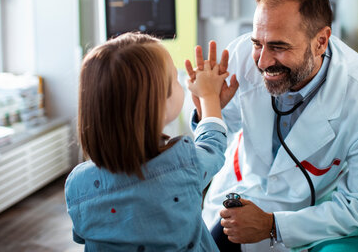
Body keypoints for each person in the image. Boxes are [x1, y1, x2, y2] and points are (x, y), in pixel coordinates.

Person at [186, 0, 358, 251]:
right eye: (258, 43)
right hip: (232, 191)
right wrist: (209, 106)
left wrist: (273, 226)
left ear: (320, 42)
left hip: (294, 213)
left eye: (279, 47)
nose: (262, 62)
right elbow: (224, 130)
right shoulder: (242, 55)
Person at [65, 32, 236, 251]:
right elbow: (213, 145)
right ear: (158, 105)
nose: (181, 84)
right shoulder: (183, 167)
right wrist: (209, 95)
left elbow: (81, 236)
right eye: (175, 79)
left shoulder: (78, 183)